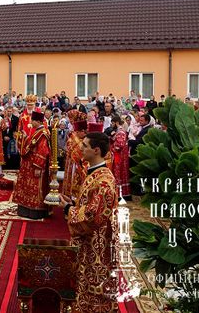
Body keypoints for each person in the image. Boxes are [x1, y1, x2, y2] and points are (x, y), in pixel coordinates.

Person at [61, 132, 118, 313]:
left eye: (84, 146)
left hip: (98, 245)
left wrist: (68, 210)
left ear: (96, 150)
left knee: (95, 285)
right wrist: (72, 205)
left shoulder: (104, 181)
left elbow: (93, 216)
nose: (80, 149)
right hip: (90, 241)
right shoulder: (94, 173)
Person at [13, 111, 52, 219]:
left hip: (35, 166)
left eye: (33, 120)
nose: (31, 122)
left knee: (35, 188)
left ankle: (35, 211)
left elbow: (43, 151)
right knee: (27, 187)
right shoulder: (37, 131)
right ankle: (26, 209)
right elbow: (31, 144)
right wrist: (24, 137)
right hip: (29, 165)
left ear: (38, 121)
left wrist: (38, 166)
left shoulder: (43, 133)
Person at [62, 111, 87, 201]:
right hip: (70, 162)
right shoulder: (72, 135)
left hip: (78, 164)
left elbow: (80, 149)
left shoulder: (77, 136)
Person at [109, 115, 130, 199]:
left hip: (119, 156)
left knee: (118, 173)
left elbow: (120, 145)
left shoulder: (120, 132)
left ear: (117, 123)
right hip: (118, 155)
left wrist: (112, 148)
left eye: (113, 123)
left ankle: (119, 194)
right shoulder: (118, 131)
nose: (112, 125)